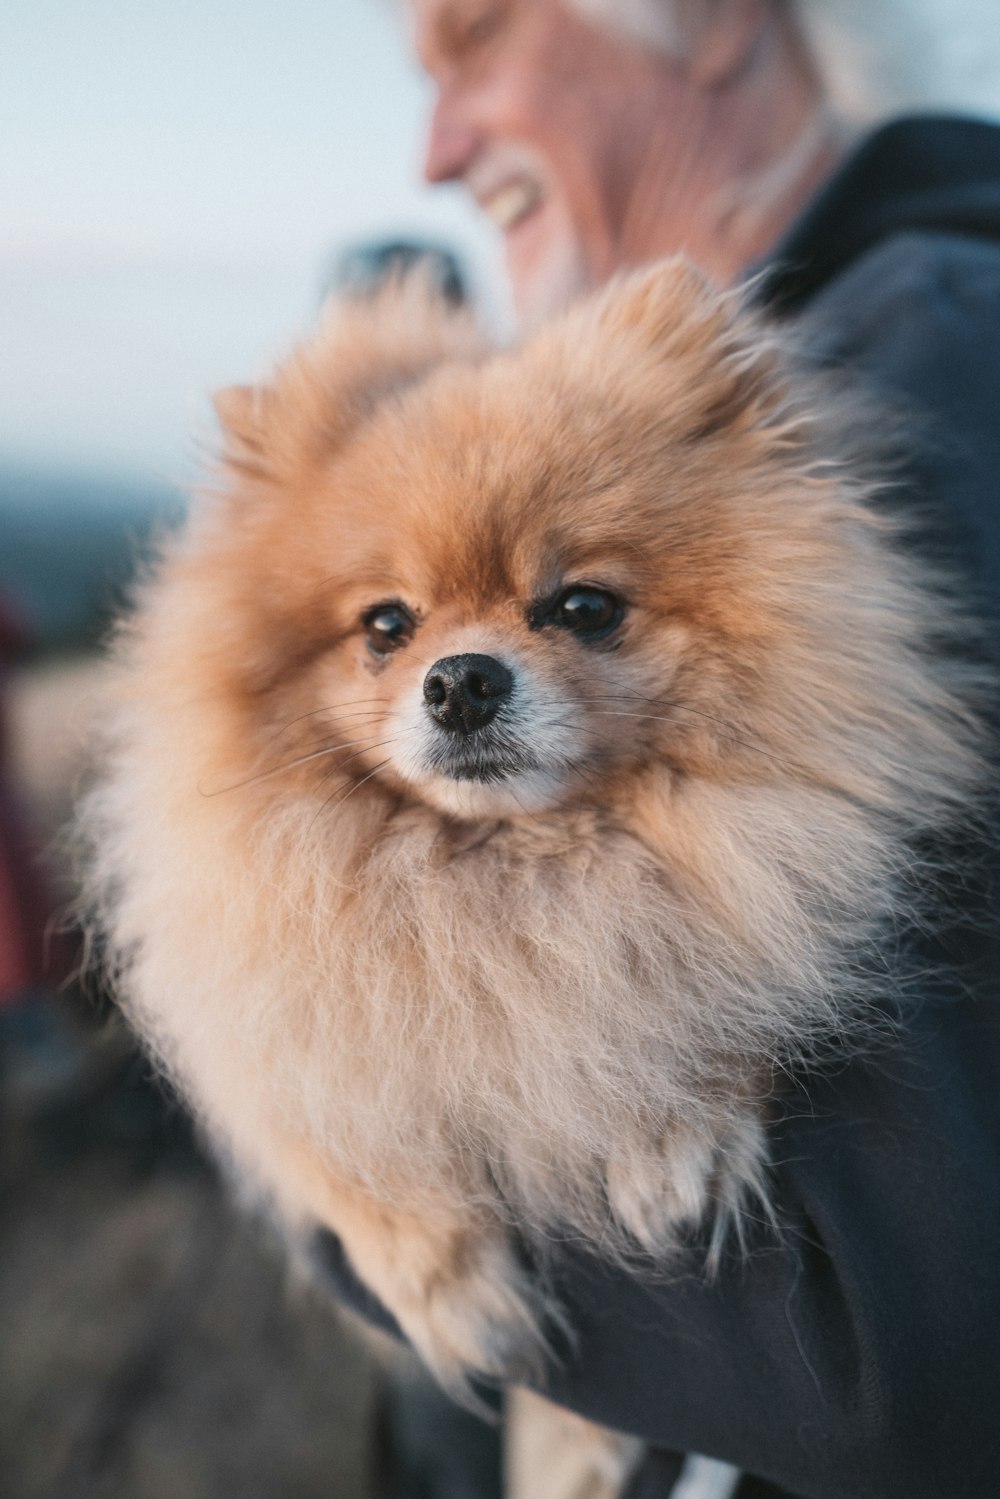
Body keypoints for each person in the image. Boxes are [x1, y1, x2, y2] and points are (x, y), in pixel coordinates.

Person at [318, 3, 1000, 1494]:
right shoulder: (842, 329)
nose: (436, 147)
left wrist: (356, 1201)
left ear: (711, 25)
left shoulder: (925, 357)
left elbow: (884, 1358)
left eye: (477, 44)